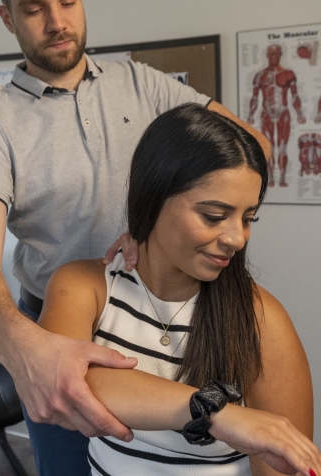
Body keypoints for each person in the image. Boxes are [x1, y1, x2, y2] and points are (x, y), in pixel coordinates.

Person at [0, 0, 271, 476]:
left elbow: (251, 147)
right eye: (34, 8)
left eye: (68, 0)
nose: (57, 21)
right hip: (60, 328)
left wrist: (153, 223)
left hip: (167, 310)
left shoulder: (143, 84)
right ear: (8, 18)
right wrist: (21, 345)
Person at [38, 103, 320, 476]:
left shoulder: (262, 321)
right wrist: (216, 413)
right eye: (214, 216)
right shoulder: (83, 287)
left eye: (248, 218)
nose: (237, 238)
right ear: (152, 198)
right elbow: (64, 378)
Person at [247, 44, 305, 187]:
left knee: (283, 147)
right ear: (267, 56)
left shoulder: (288, 74)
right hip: (266, 114)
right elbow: (254, 98)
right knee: (269, 147)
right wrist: (250, 115)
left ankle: (283, 178)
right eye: (271, 54)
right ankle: (271, 178)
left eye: (276, 54)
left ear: (280, 55)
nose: (273, 57)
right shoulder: (260, 75)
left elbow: (295, 95)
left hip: (283, 113)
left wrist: (299, 114)